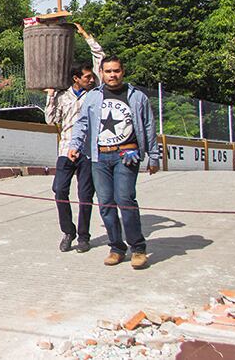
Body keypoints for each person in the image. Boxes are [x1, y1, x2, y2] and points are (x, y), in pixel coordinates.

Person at [68, 56, 159, 270]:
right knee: (106, 203)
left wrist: (153, 156)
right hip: (99, 157)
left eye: (116, 71)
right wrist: (74, 145)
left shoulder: (137, 97)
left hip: (127, 156)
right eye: (108, 71)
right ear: (102, 72)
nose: (112, 75)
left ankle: (137, 248)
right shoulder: (92, 97)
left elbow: (149, 127)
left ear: (123, 71)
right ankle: (117, 247)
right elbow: (82, 124)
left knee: (125, 199)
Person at [44, 24, 104, 253]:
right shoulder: (62, 97)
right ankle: (68, 231)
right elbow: (51, 121)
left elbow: (100, 58)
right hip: (66, 149)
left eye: (91, 76)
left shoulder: (95, 94)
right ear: (75, 79)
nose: (91, 79)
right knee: (59, 190)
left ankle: (84, 236)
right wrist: (50, 96)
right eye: (86, 77)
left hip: (89, 151)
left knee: (86, 195)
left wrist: (86, 37)